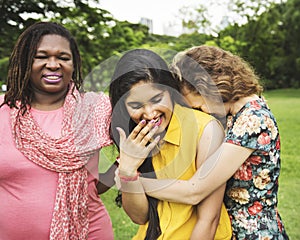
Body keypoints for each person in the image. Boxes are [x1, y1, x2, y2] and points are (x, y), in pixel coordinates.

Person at [139, 45, 290, 239]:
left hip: (253, 233)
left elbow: (195, 191)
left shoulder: (252, 120)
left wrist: (135, 181)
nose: (202, 112)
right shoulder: (240, 112)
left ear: (210, 87)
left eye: (198, 105)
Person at [0, 21, 114, 239]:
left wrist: (123, 167)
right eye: (41, 56)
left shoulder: (96, 109)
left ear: (74, 63)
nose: (53, 65)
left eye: (63, 58)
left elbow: (145, 123)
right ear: (25, 61)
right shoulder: (2, 112)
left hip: (90, 232)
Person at [109, 48, 232, 240]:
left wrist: (136, 182)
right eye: (135, 105)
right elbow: (139, 217)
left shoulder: (205, 130)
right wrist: (127, 172)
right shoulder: (134, 140)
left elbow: (209, 218)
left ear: (170, 92)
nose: (149, 114)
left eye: (157, 100)